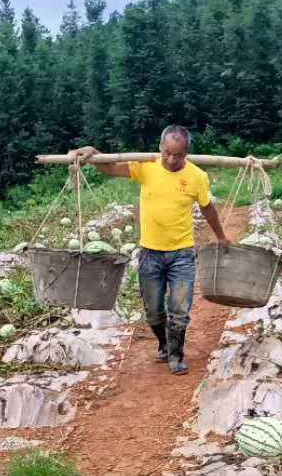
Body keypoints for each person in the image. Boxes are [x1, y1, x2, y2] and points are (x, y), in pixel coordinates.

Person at [67, 125, 231, 375]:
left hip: (182, 254)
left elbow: (207, 208)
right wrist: (93, 153)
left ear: (187, 153)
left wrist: (221, 236)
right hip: (150, 254)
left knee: (179, 309)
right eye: (168, 153)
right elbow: (109, 168)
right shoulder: (146, 167)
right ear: (160, 148)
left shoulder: (197, 176)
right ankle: (164, 344)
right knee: (153, 311)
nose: (172, 159)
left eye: (179, 155)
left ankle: (176, 354)